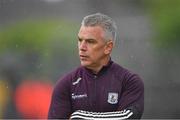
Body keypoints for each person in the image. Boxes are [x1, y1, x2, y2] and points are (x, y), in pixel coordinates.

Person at [48, 13, 144, 119]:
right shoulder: (66, 84)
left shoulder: (129, 81)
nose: (82, 47)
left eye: (90, 41)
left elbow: (128, 117)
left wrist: (79, 116)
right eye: (80, 40)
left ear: (108, 47)